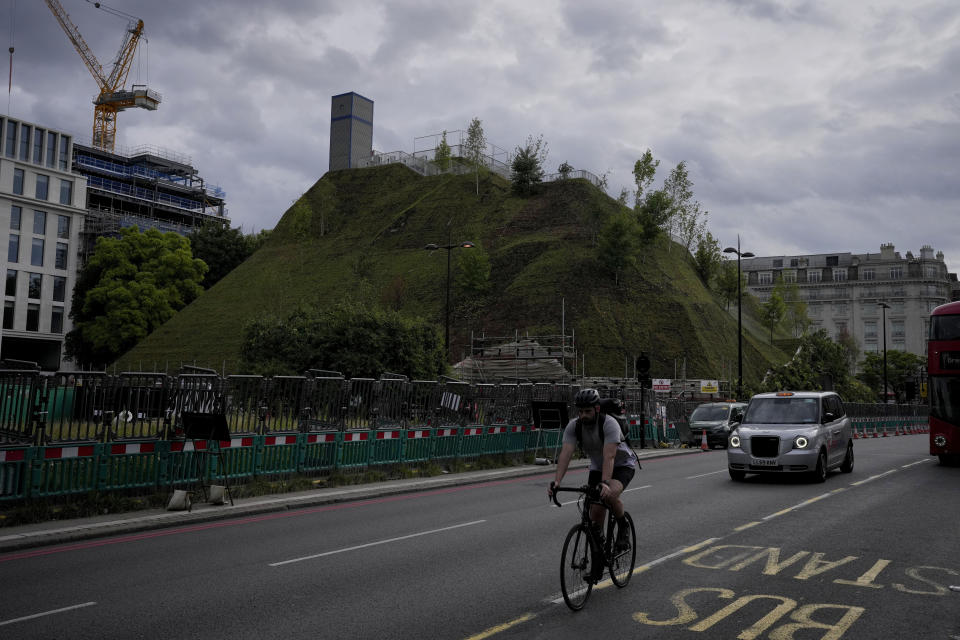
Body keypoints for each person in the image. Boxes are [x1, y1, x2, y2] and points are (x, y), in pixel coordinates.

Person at [547, 388, 638, 581]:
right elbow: (565, 454)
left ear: (597, 409)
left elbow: (610, 456)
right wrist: (556, 482)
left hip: (622, 465)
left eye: (587, 411)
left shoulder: (609, 424)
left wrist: (605, 483)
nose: (583, 415)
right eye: (580, 411)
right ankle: (598, 562)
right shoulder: (574, 426)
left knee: (609, 494)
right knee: (594, 515)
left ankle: (623, 525)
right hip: (598, 466)